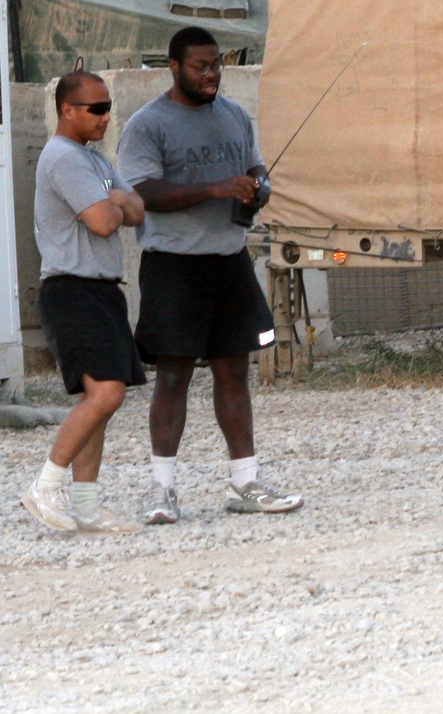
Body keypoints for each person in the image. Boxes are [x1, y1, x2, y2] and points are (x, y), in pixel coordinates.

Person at [118, 26, 304, 524]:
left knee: (234, 370)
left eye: (216, 65)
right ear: (173, 67)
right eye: (200, 66)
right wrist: (215, 188)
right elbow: (144, 195)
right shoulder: (147, 124)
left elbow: (256, 168)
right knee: (174, 375)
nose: (211, 75)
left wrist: (256, 187)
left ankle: (245, 481)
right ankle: (162, 491)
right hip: (174, 264)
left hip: (229, 259)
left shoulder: (236, 116)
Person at [23, 71, 146, 534]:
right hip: (73, 289)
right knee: (106, 393)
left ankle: (86, 505)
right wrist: (116, 203)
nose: (105, 116)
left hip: (101, 288)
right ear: (66, 110)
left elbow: (136, 208)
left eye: (108, 107)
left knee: (103, 399)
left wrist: (119, 203)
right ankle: (46, 484)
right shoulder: (64, 158)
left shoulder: (93, 159)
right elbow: (104, 221)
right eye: (95, 108)